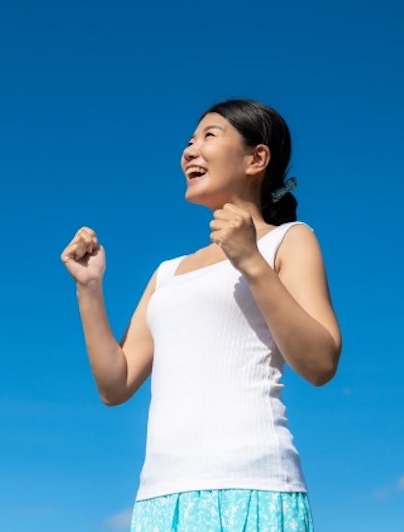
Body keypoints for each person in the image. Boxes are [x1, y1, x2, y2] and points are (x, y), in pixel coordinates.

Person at [60, 99, 341, 531]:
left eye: (209, 136)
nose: (190, 151)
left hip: (254, 487)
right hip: (160, 498)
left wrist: (249, 260)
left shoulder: (289, 241)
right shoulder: (166, 273)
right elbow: (115, 384)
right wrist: (89, 288)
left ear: (257, 158)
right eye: (189, 141)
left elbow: (321, 363)